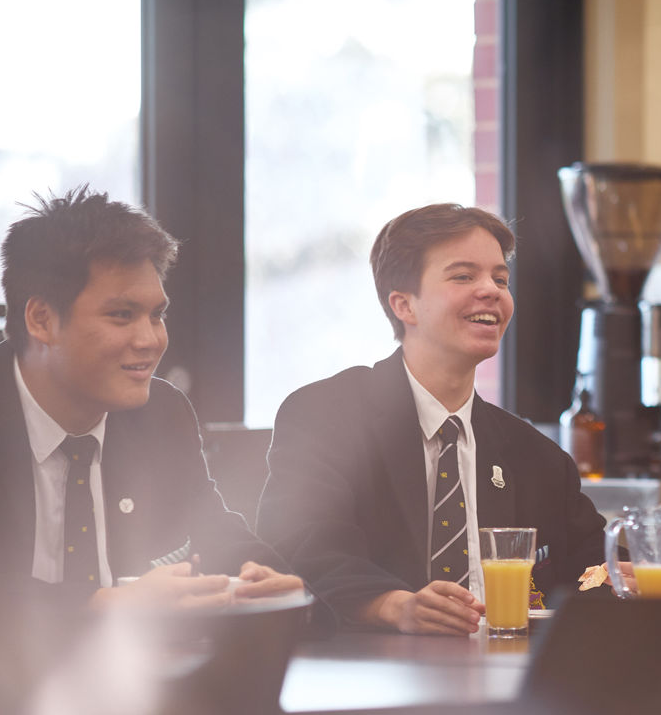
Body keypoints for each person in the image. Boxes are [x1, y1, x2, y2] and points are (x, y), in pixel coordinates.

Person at [256, 203, 606, 635]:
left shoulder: (537, 457)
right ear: (404, 305)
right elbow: (301, 544)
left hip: (510, 677)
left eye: (500, 279)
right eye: (463, 276)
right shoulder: (325, 415)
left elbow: (599, 566)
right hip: (369, 672)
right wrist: (391, 604)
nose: (491, 290)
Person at [0, 187, 300, 612]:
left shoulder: (161, 413)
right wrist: (102, 606)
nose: (150, 340)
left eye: (157, 315)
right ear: (41, 320)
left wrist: (264, 576)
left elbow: (211, 526)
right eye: (122, 315)